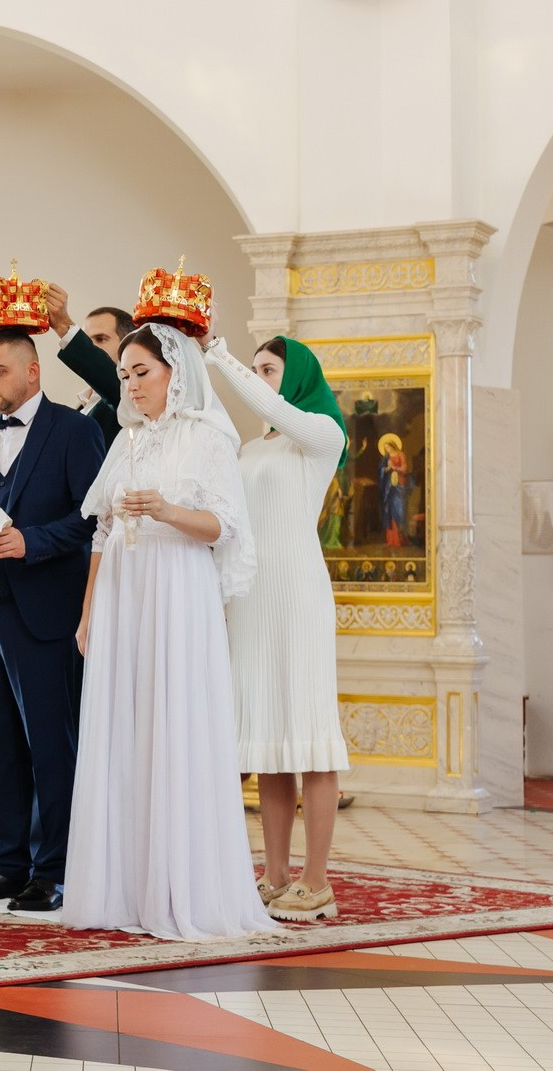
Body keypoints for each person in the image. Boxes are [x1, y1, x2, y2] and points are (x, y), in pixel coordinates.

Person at [58, 323, 275, 942]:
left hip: (178, 589)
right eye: (123, 376)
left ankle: (182, 888)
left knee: (172, 724)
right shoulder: (126, 439)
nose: (131, 386)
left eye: (141, 373)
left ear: (174, 372)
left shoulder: (206, 436)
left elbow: (223, 526)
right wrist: (89, 608)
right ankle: (122, 887)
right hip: (126, 588)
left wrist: (165, 510)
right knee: (124, 727)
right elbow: (100, 529)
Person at [0, 328, 106, 913]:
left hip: (47, 616)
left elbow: (94, 523)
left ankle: (53, 869)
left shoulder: (76, 431)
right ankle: (9, 863)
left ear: (33, 371)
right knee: (5, 746)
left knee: (50, 747)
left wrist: (29, 542)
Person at [203, 332, 351, 923]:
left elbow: (273, 409)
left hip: (298, 594)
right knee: (266, 737)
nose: (261, 378)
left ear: (295, 377)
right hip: (253, 597)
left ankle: (317, 882)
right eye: (256, 368)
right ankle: (277, 873)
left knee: (310, 735)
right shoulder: (251, 447)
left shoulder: (320, 434)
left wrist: (217, 351)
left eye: (269, 368)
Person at [45, 288, 130, 446]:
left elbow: (111, 381)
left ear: (127, 346)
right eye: (86, 339)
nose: (91, 346)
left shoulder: (129, 396)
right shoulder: (82, 405)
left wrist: (63, 325)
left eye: (100, 339)